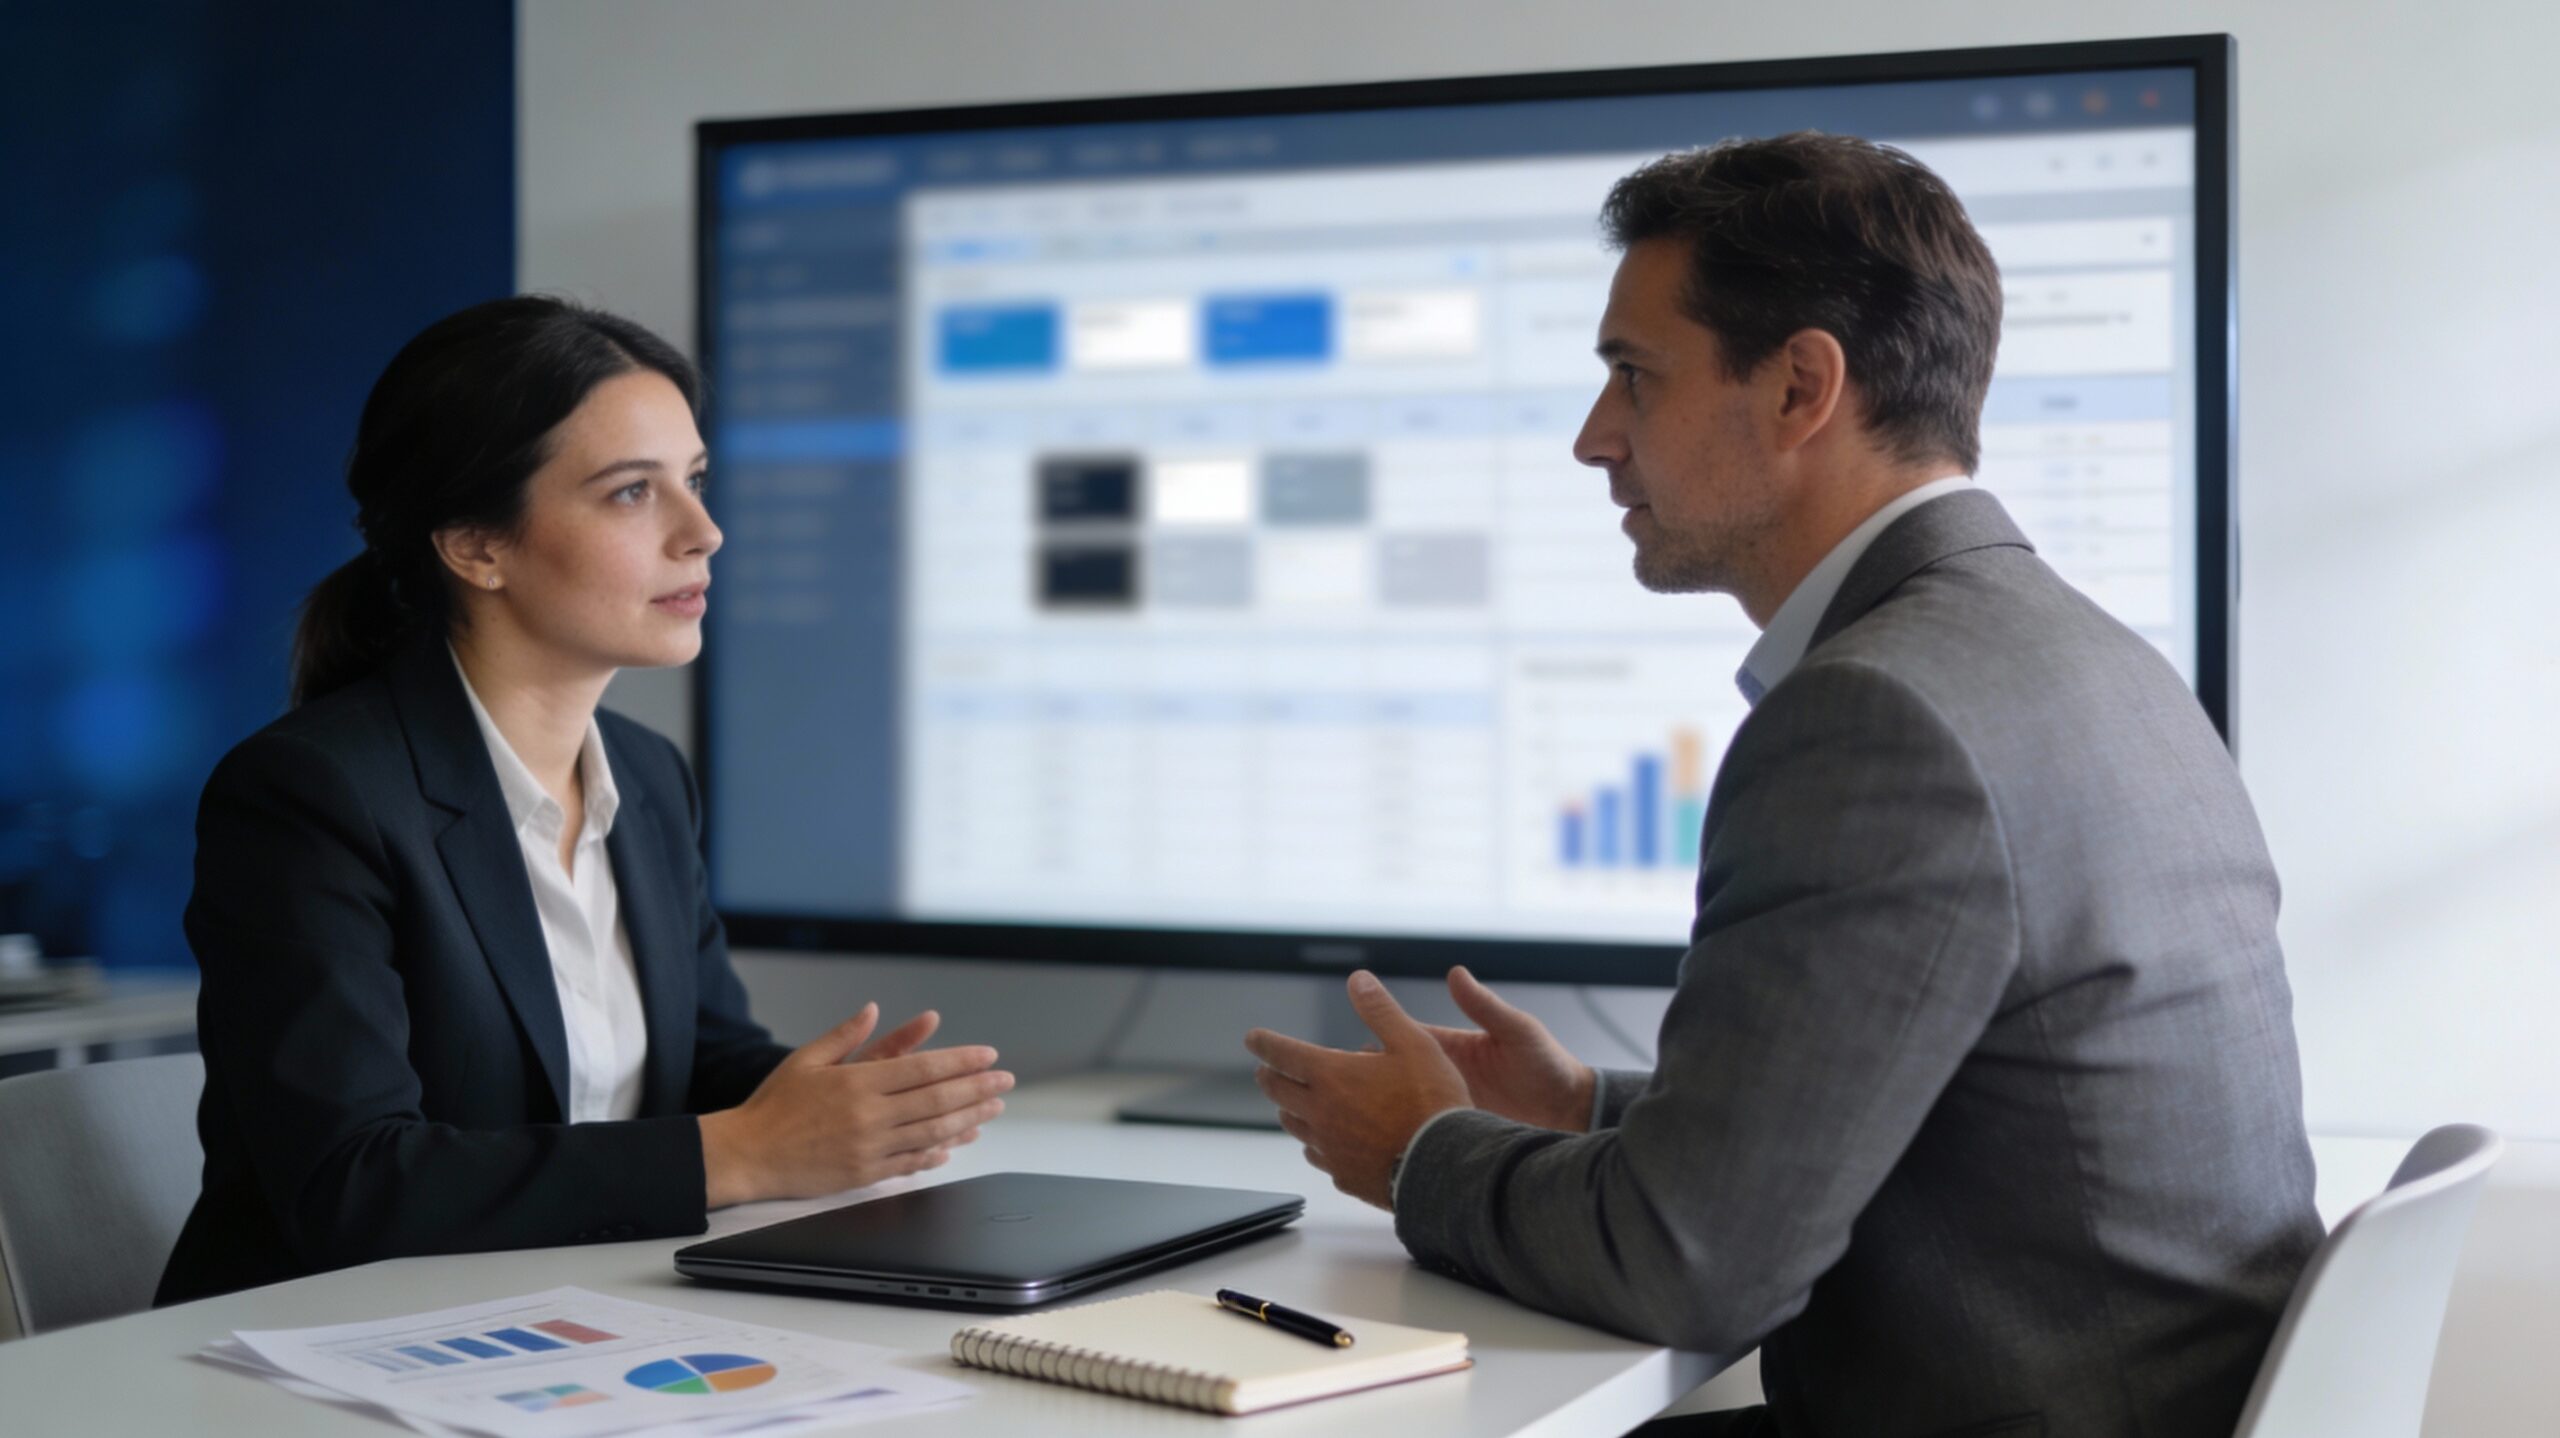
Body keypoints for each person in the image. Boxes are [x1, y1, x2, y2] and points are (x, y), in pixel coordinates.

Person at [1244, 133, 2323, 1437]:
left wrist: (1424, 1151)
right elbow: (1938, 1123)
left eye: (1634, 378)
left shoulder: (1877, 717)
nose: (1595, 440)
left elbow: (1691, 1265)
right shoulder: (2089, 656)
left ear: (1803, 385)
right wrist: (1588, 1108)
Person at [158, 297, 1013, 1305]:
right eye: (629, 494)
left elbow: (695, 1057)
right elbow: (352, 1183)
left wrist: (851, 1110)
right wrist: (737, 1154)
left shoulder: (646, 776)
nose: (703, 531)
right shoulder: (311, 795)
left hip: (570, 1310)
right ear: (477, 546)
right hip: (313, 1344)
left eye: (692, 481)